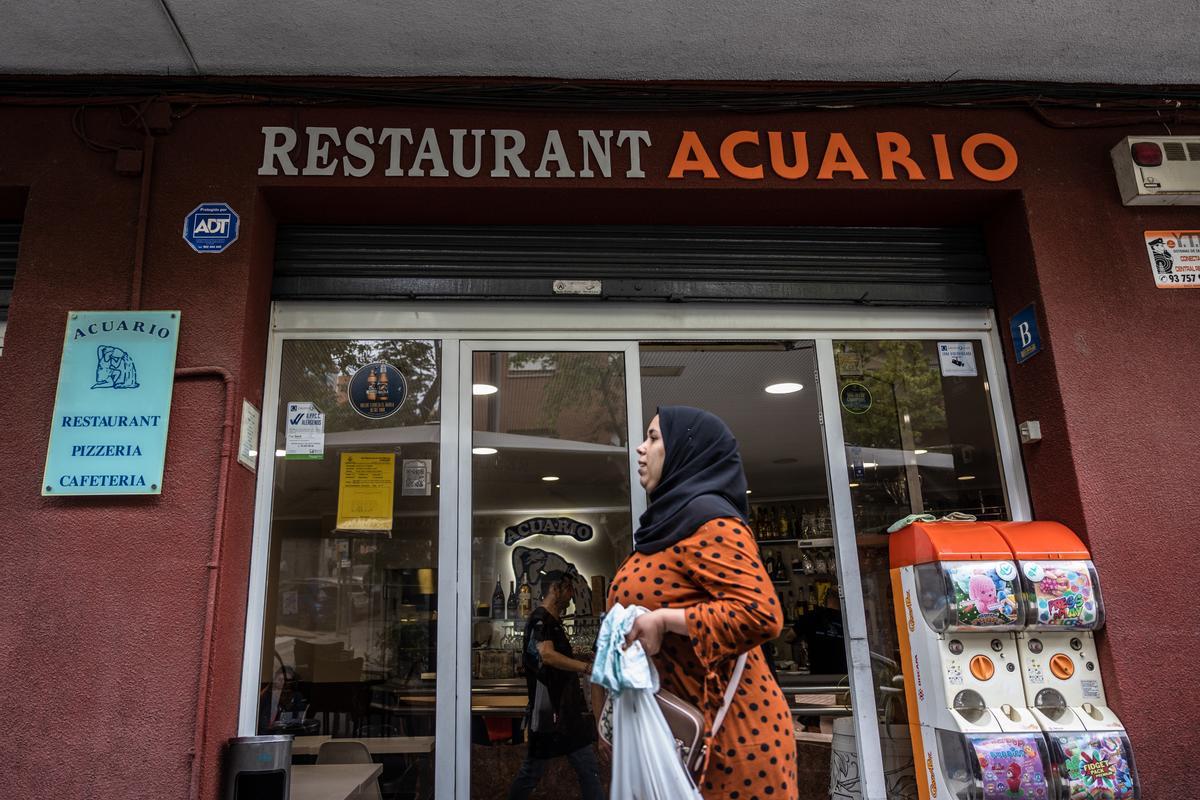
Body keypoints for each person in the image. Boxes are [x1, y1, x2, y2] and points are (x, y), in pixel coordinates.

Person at [610, 406, 798, 800]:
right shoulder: (664, 525)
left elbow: (761, 613)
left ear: (684, 451)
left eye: (654, 438)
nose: (641, 450)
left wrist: (665, 620)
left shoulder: (710, 521)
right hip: (682, 737)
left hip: (731, 743)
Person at [508, 571, 603, 800]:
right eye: (568, 589)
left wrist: (581, 659)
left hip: (563, 714)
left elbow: (555, 658)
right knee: (535, 772)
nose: (571, 596)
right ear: (555, 589)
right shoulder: (541, 619)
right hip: (553, 714)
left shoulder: (552, 621)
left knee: (586, 769)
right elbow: (548, 656)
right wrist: (585, 668)